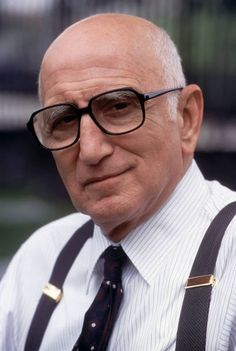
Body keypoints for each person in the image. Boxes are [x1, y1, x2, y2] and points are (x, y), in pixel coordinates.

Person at [1, 12, 236, 351]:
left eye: (119, 106)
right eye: (64, 120)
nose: (91, 150)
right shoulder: (38, 261)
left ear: (186, 118)